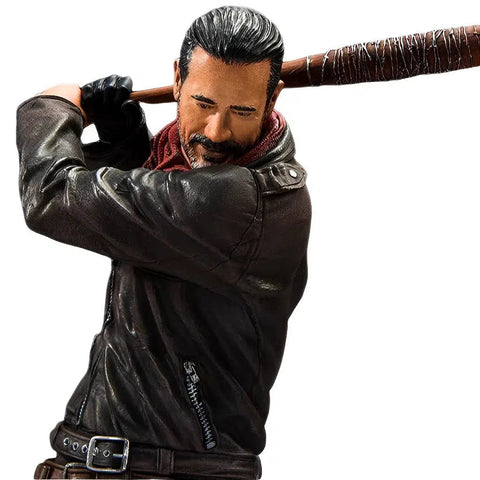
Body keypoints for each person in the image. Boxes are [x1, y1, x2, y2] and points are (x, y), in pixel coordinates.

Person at [16, 6, 311, 480]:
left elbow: (52, 197)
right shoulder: (191, 177)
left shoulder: (243, 201)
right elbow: (147, 217)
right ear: (177, 79)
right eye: (203, 103)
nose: (216, 132)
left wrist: (51, 108)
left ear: (272, 98)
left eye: (241, 111)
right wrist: (127, 141)